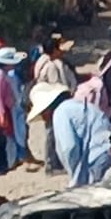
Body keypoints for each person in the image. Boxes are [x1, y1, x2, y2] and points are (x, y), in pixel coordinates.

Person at [30, 84, 111, 186]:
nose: (43, 118)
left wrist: (75, 175)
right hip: (109, 150)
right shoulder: (76, 105)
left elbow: (69, 147)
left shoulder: (60, 113)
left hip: (96, 158)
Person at [33, 35, 79, 175]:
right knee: (52, 134)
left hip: (51, 104)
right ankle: (52, 165)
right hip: (54, 105)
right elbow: (55, 89)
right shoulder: (51, 66)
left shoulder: (45, 62)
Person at [0, 45, 28, 175]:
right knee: (1, 138)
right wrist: (1, 114)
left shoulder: (1, 74)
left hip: (2, 108)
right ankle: (4, 163)